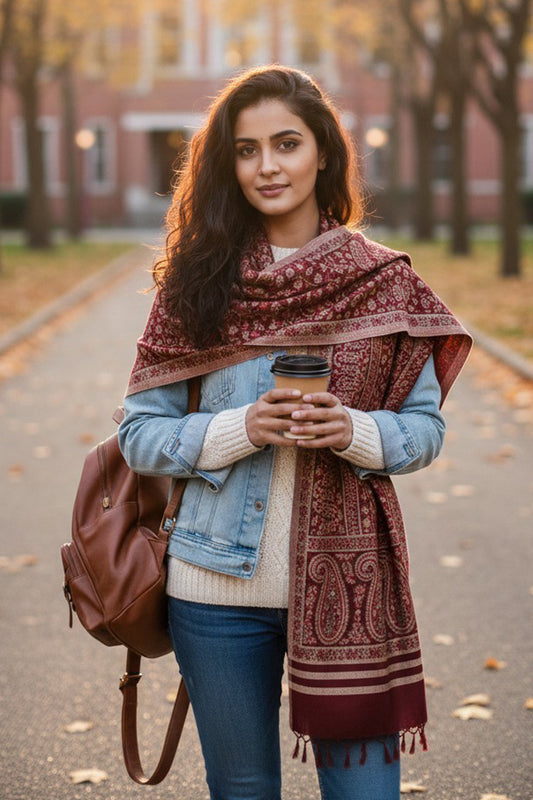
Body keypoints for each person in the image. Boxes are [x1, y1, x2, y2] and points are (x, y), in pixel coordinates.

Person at [118, 65, 472, 800]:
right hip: (213, 590)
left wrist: (352, 431)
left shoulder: (384, 282)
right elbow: (139, 436)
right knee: (242, 791)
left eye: (285, 143)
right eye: (246, 150)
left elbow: (423, 429)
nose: (267, 166)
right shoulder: (196, 286)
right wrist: (237, 428)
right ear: (228, 163)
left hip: (352, 592)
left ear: (322, 154)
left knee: (365, 794)